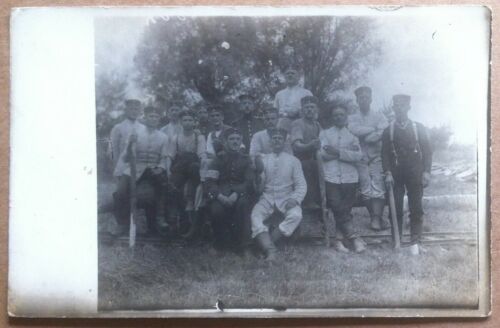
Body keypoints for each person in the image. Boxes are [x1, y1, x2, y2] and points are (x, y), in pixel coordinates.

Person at [382, 94, 432, 255]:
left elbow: (427, 151)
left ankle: (415, 242)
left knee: (416, 206)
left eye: (402, 105)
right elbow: (385, 154)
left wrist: (426, 172)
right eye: (396, 106)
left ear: (408, 108)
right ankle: (396, 240)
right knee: (395, 206)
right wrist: (388, 172)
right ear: (393, 108)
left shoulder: (418, 127)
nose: (399, 108)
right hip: (396, 173)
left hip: (415, 172)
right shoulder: (388, 130)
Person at [251, 128, 307, 261]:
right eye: (274, 138)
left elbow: (301, 184)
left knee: (296, 215)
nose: (276, 140)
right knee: (255, 215)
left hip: (287, 197)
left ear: (284, 142)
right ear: (270, 142)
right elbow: (259, 188)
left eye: (279, 138)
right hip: (267, 197)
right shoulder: (263, 160)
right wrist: (257, 177)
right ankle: (271, 250)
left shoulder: (293, 161)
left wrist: (295, 199)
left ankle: (266, 246)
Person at [113, 106, 169, 237]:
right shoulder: (135, 133)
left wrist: (160, 168)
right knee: (120, 192)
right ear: (145, 118)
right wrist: (130, 144)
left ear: (159, 119)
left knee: (163, 188)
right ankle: (122, 224)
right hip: (134, 168)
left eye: (156, 117)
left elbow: (164, 157)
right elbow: (126, 157)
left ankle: (160, 219)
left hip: (153, 169)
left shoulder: (164, 137)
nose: (153, 119)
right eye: (151, 116)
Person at [319, 104, 366, 253]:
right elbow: (323, 154)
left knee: (344, 209)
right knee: (337, 206)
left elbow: (358, 156)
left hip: (350, 178)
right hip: (331, 176)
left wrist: (337, 151)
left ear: (346, 117)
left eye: (341, 115)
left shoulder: (352, 136)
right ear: (332, 118)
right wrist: (347, 153)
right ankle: (354, 238)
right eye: (335, 115)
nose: (338, 117)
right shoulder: (325, 134)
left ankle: (338, 241)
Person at [205, 128, 255, 254]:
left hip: (240, 194)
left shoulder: (246, 159)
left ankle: (245, 246)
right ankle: (220, 244)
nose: (235, 142)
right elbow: (210, 182)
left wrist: (236, 193)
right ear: (225, 142)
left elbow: (248, 181)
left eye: (238, 139)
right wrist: (220, 196)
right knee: (216, 210)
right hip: (221, 193)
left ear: (241, 142)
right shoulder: (218, 159)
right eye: (231, 139)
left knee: (243, 206)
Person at [348, 86, 390, 231]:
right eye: (361, 98)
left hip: (376, 156)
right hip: (360, 158)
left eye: (366, 97)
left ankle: (376, 219)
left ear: (371, 99)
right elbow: (354, 130)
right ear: (357, 100)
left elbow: (383, 131)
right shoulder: (352, 117)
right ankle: (375, 217)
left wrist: (369, 134)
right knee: (365, 187)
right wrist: (373, 129)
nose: (364, 100)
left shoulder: (379, 116)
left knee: (378, 186)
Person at [166, 110, 207, 209]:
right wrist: (168, 170)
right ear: (181, 122)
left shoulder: (199, 137)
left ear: (194, 122)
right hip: (180, 168)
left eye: (190, 120)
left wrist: (203, 170)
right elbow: (170, 156)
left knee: (193, 165)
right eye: (185, 120)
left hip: (194, 168)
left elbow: (202, 155)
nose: (187, 122)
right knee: (172, 185)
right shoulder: (175, 138)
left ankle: (190, 200)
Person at [290, 96, 322, 210]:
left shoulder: (317, 125)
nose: (309, 110)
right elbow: (296, 146)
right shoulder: (298, 123)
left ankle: (323, 199)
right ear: (302, 110)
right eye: (306, 107)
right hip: (299, 158)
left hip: (314, 158)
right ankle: (309, 201)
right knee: (309, 165)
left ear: (316, 110)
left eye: (312, 107)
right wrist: (310, 145)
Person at [109, 99, 146, 171]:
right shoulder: (118, 128)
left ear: (139, 111)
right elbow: (112, 150)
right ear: (126, 110)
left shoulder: (144, 128)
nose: (134, 111)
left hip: (140, 168)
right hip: (122, 166)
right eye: (131, 109)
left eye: (136, 109)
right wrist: (116, 167)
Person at [273, 64, 313, 132]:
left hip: (301, 124)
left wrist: (297, 112)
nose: (290, 75)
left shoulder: (306, 93)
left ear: (298, 77)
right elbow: (275, 112)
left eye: (293, 73)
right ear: (285, 77)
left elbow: (312, 111)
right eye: (288, 73)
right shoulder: (279, 94)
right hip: (282, 125)